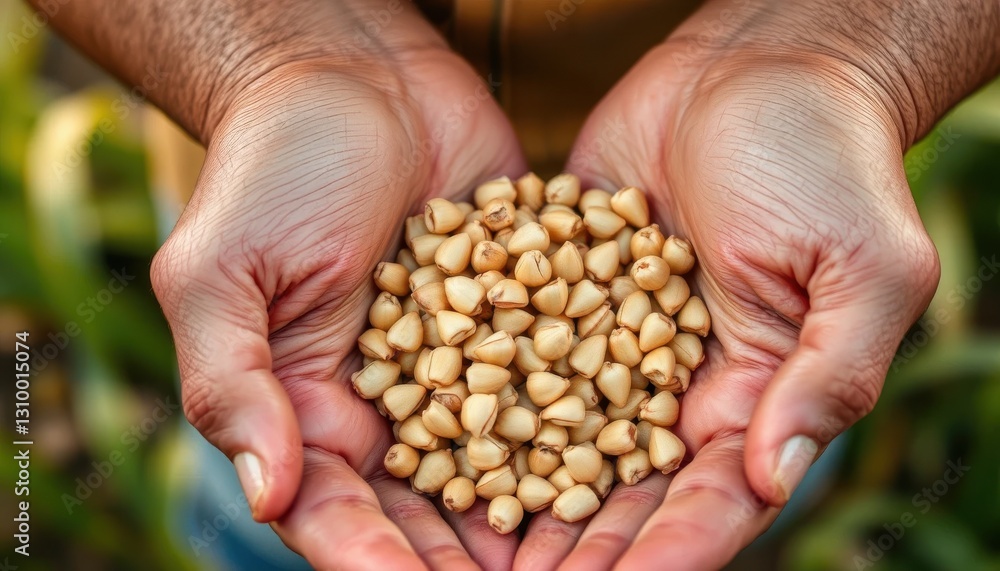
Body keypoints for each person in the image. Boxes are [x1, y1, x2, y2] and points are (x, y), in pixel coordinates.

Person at [34, 0, 998, 569]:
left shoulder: (691, 328)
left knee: (763, 448)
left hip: (748, 266)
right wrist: (265, 58)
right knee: (273, 474)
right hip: (296, 216)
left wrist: (847, 53)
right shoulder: (371, 319)